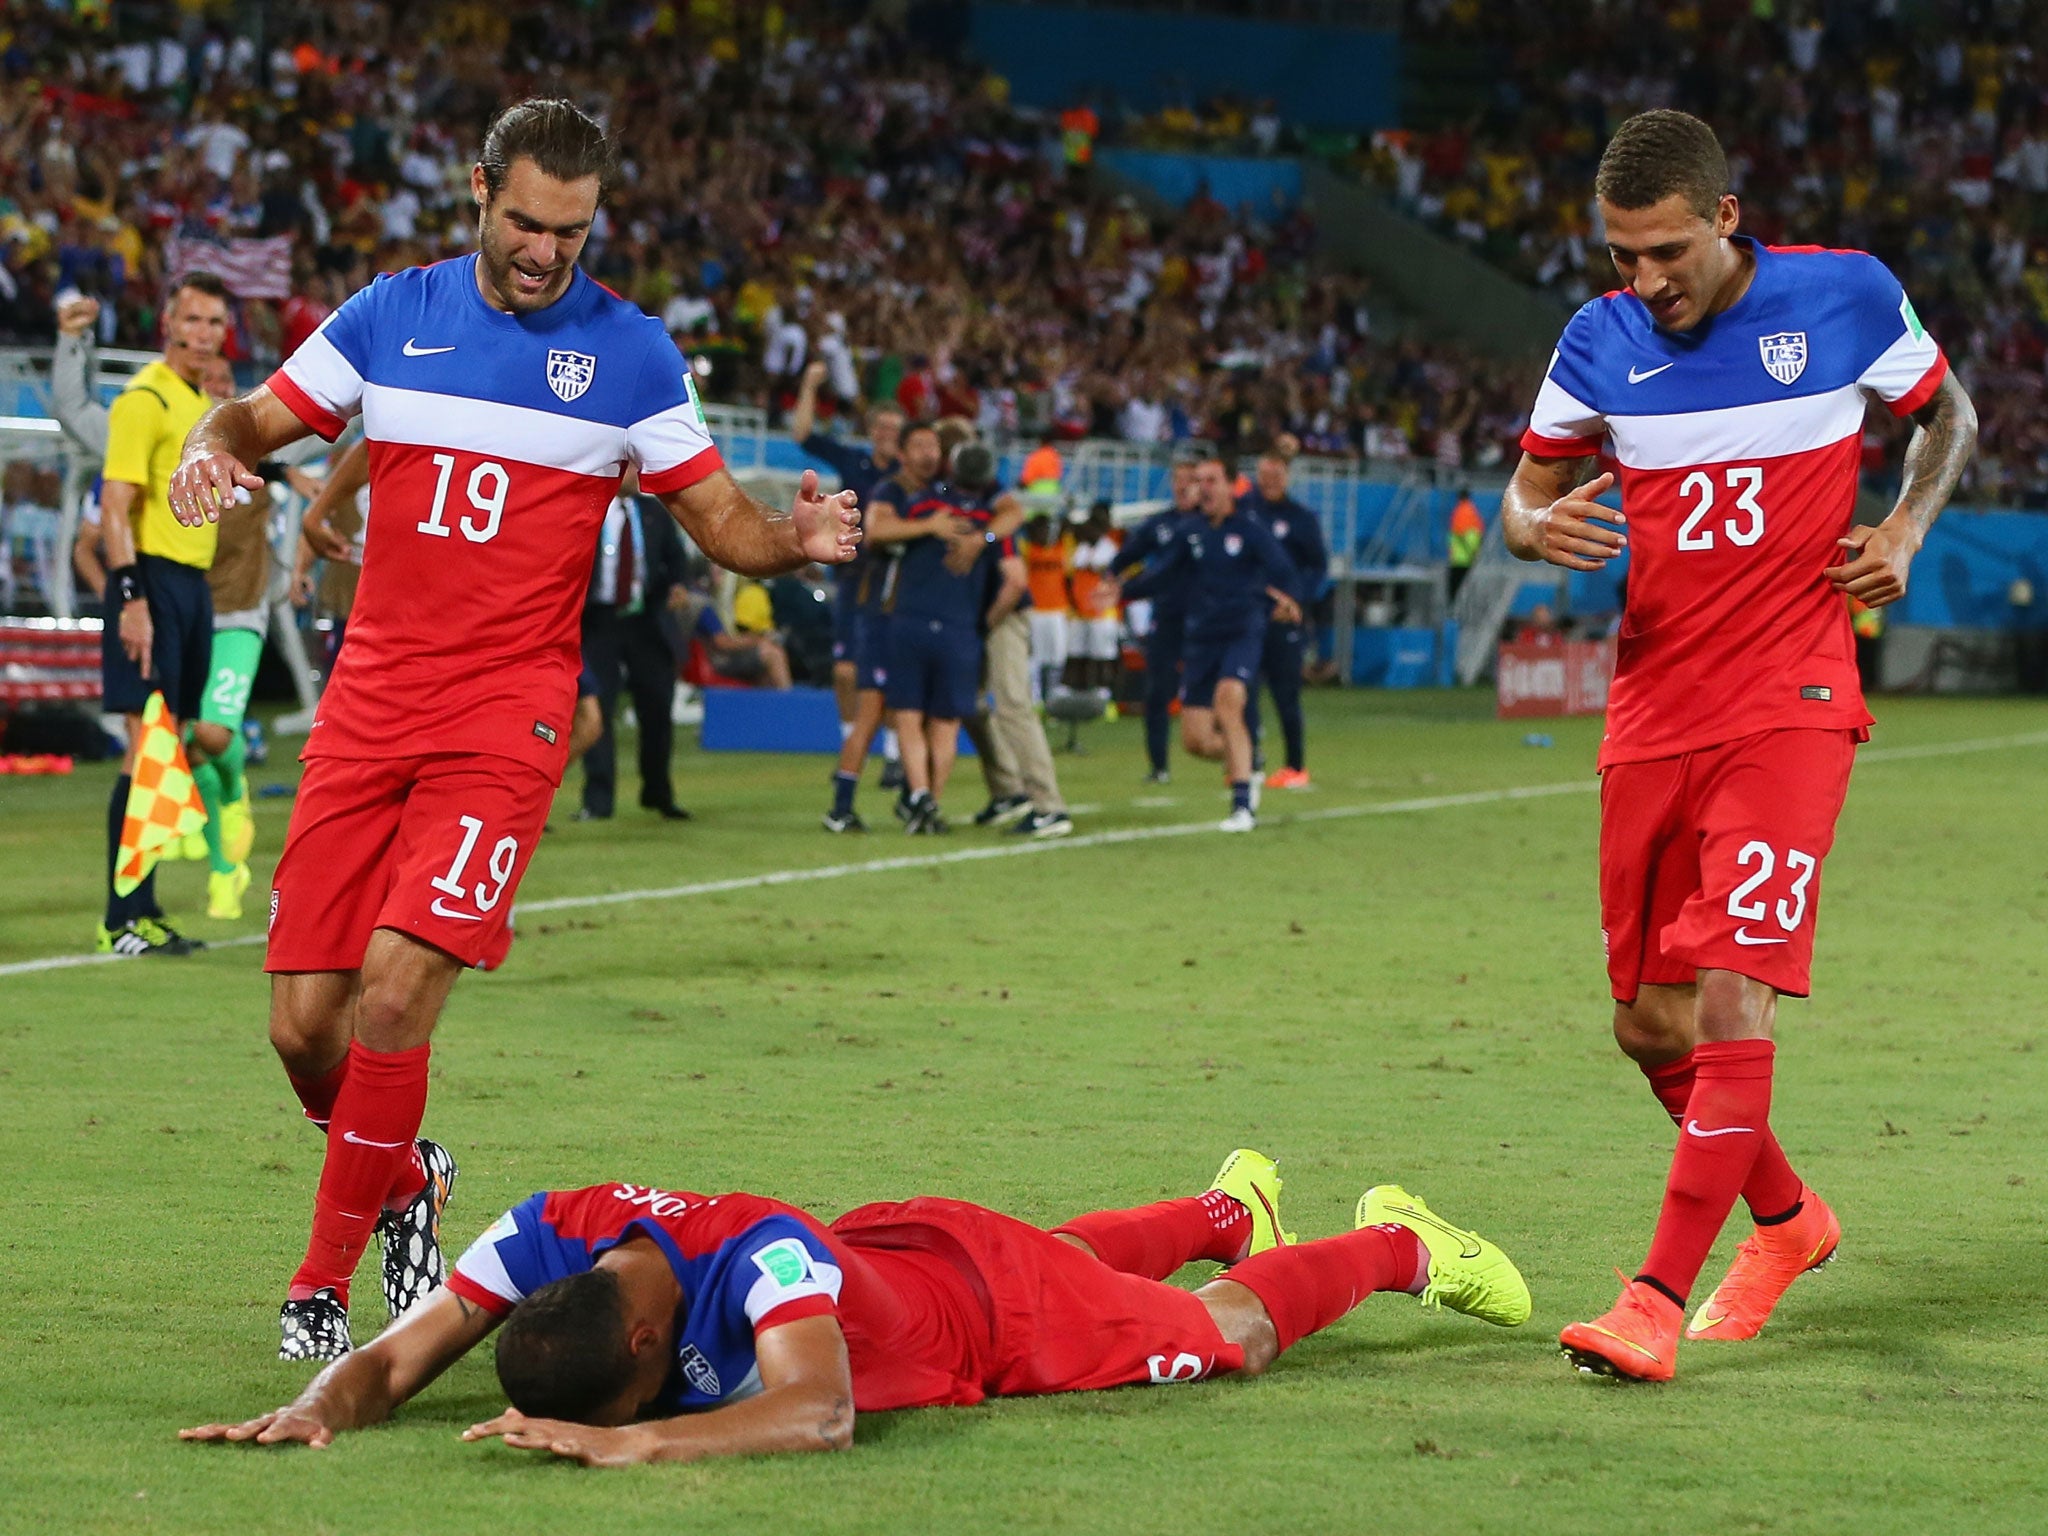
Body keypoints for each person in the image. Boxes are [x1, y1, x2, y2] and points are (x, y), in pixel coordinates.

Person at [167, 99, 861, 1362]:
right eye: (528, 223)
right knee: (300, 1027)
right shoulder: (389, 314)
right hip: (369, 702)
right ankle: (404, 1181)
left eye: (574, 232)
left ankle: (320, 1292)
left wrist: (792, 542)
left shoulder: (633, 354)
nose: (547, 252)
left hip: (507, 713)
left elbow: (718, 520)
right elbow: (252, 421)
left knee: (393, 992)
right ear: (481, 188)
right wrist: (210, 450)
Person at [1503, 110, 1975, 1382]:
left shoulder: (1844, 296)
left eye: (1662, 252)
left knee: (1726, 993)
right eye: (1618, 257)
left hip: (1792, 697)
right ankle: (1784, 1223)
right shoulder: (1595, 341)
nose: (1642, 282)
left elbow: (1949, 421)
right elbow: (1524, 492)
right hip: (1652, 710)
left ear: (1721, 218)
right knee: (1649, 1028)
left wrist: (1906, 528)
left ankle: (1651, 1299)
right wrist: (1522, 529)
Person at [183, 1149, 1530, 1461]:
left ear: (648, 1346)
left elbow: (820, 1412)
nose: (659, 1403)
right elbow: (403, 1356)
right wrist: (316, 1407)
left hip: (990, 1318)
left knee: (1225, 1339)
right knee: (1069, 1254)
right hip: (902, 1263)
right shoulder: (546, 1234)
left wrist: (631, 1441)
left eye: (653, 1391)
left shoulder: (760, 1267)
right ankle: (1224, 1209)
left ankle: (1396, 1247)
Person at [94, 270, 238, 958]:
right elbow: (114, 506)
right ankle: (120, 918)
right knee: (146, 746)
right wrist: (131, 601)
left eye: (216, 323)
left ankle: (143, 912)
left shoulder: (194, 402)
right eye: (194, 320)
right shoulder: (143, 400)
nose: (206, 334)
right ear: (167, 324)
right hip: (149, 580)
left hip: (190, 584)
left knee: (165, 746)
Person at [1114, 453, 1300, 832]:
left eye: (1212, 480)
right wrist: (1122, 590)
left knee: (1228, 703)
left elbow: (1283, 569)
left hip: (1242, 632)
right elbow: (1162, 574)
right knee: (1196, 741)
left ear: (1232, 485)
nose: (1203, 489)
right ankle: (1251, 760)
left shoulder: (1250, 529)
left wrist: (1291, 600)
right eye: (1199, 481)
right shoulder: (1191, 532)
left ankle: (1242, 805)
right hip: (1201, 638)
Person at [863, 425, 987, 834]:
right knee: (929, 719)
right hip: (933, 621)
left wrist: (953, 532)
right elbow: (874, 529)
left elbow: (877, 530)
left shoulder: (936, 502)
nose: (928, 453)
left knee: (926, 718)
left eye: (933, 445)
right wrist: (937, 530)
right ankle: (925, 801)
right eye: (919, 445)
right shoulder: (983, 516)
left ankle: (922, 799)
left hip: (930, 619)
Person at [955, 445, 1073, 839]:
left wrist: (984, 626)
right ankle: (1008, 790)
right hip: (978, 617)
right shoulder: (959, 503)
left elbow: (1015, 581)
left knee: (1013, 705)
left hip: (1003, 616)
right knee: (968, 703)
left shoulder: (994, 509)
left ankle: (1049, 806)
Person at [788, 359, 903, 731]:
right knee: (844, 670)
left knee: (889, 666)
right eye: (881, 427)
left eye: (893, 429)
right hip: (854, 575)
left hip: (895, 578)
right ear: (870, 431)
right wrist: (809, 386)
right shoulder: (855, 461)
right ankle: (850, 739)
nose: (887, 434)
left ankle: (891, 750)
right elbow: (802, 434)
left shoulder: (909, 476)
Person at [579, 473, 692, 822]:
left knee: (658, 708)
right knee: (598, 709)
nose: (636, 473)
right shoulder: (587, 509)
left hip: (647, 621)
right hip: (598, 622)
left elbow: (677, 561)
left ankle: (658, 793)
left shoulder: (654, 512)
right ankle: (598, 801)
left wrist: (678, 585)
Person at [1238, 448, 1326, 791]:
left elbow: (1317, 566)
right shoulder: (1244, 513)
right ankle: (1250, 761)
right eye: (1265, 475)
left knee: (1286, 696)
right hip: (1248, 616)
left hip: (1284, 620)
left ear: (1287, 477)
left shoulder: (1302, 519)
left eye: (1276, 475)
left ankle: (1294, 766)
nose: (1270, 482)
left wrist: (1295, 599)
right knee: (1243, 692)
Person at [1119, 454, 1203, 784]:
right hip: (1167, 616)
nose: (1183, 486)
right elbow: (1130, 555)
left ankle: (1240, 752)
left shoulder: (1212, 524)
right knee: (1157, 692)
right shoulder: (1159, 524)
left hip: (1204, 618)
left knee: (1220, 691)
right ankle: (1159, 765)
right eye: (1178, 479)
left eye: (1191, 480)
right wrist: (1114, 578)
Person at [1064, 500, 1122, 700]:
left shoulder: (1109, 548)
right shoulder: (1079, 549)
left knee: (1103, 655)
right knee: (1077, 653)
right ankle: (1077, 691)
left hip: (1102, 612)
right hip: (1080, 611)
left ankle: (1105, 694)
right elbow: (1070, 577)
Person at [1020, 513, 1071, 703]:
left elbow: (1068, 526)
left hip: (1057, 611)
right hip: (1034, 611)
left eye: (1046, 529)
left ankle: (1054, 697)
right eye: (1040, 529)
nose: (1044, 533)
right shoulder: (1027, 550)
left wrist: (1062, 509)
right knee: (1034, 657)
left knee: (1057, 656)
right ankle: (1034, 698)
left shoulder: (1060, 549)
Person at [691, 595, 793, 688]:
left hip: (720, 658)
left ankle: (771, 703)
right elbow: (723, 643)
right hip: (719, 661)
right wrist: (758, 639)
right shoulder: (705, 607)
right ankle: (788, 702)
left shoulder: (700, 602)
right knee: (773, 654)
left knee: (766, 665)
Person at [1447, 488, 1485, 601]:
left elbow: (1462, 534)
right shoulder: (1473, 511)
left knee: (1455, 588)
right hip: (1468, 555)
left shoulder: (1460, 511)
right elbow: (1477, 532)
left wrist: (1471, 551)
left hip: (1460, 557)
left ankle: (1453, 610)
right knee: (1465, 587)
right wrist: (1475, 552)